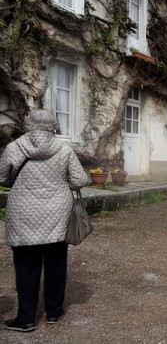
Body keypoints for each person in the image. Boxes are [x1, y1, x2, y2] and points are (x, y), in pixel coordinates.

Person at [0, 109, 89, 332]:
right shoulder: (64, 148)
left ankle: (26, 318)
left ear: (28, 124)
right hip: (57, 213)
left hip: (23, 213)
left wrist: (20, 184)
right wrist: (59, 186)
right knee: (55, 263)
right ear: (53, 125)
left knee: (25, 265)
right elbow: (80, 180)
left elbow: (2, 178)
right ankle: (54, 313)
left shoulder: (14, 147)